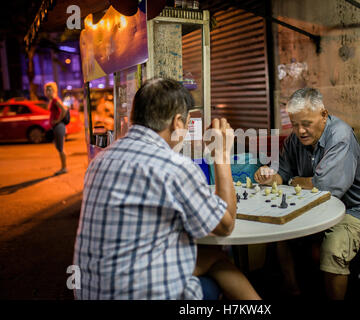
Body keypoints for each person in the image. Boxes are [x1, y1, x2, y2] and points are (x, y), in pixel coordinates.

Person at [73, 78, 260, 300]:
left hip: (92, 289)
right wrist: (221, 156)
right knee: (218, 263)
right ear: (178, 122)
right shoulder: (174, 167)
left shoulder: (101, 160)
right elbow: (225, 225)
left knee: (211, 257)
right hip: (140, 294)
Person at [254, 87, 360, 300]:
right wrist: (269, 176)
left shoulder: (340, 135)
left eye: (306, 124)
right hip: (316, 208)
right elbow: (282, 174)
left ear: (323, 115)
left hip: (354, 209)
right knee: (280, 232)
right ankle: (292, 289)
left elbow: (326, 187)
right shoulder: (295, 140)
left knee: (333, 249)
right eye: (295, 125)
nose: (300, 131)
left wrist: (295, 180)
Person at [44, 82, 67, 175]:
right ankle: (63, 167)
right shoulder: (51, 100)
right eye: (46, 90)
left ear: (54, 91)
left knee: (60, 148)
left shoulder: (54, 99)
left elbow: (64, 110)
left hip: (58, 127)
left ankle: (64, 168)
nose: (48, 92)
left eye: (50, 90)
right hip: (56, 127)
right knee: (58, 147)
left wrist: (58, 120)